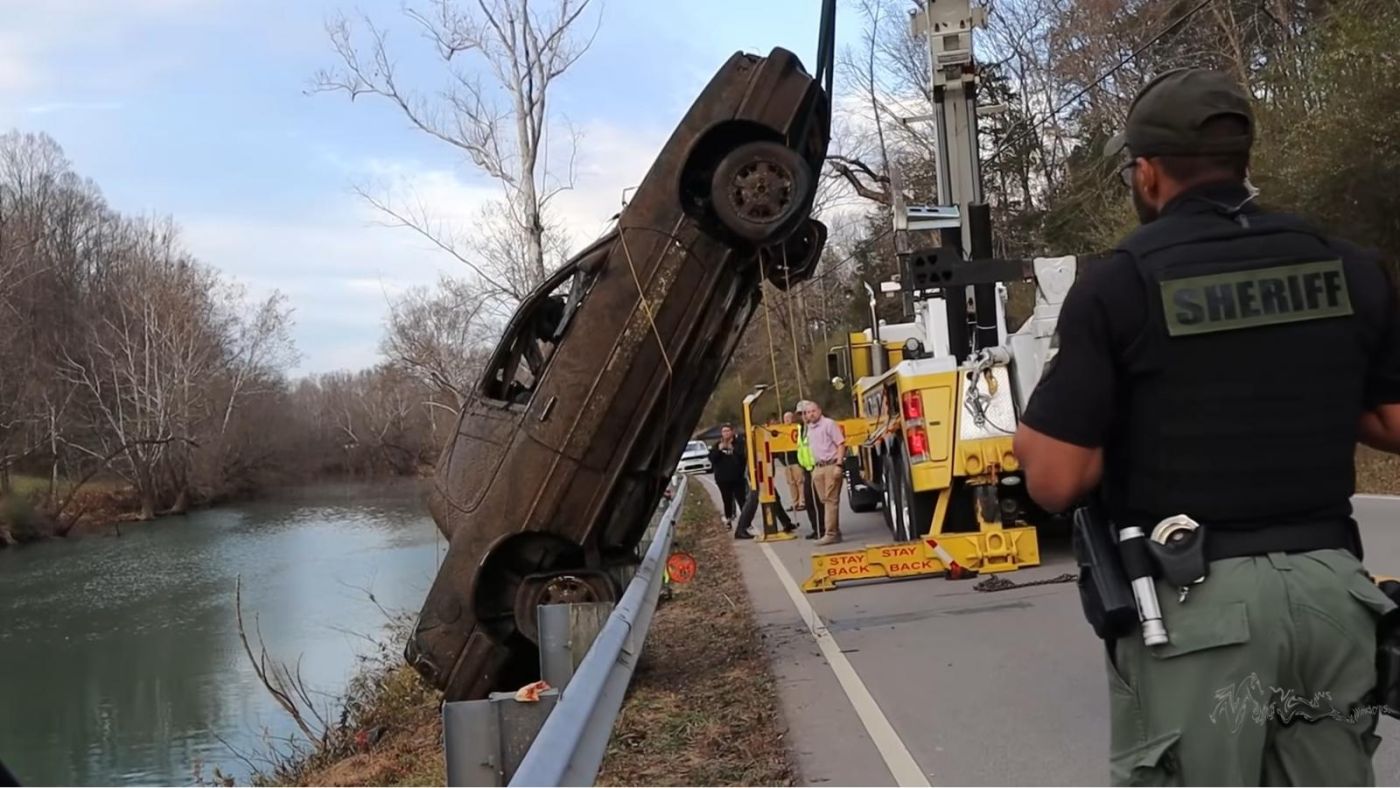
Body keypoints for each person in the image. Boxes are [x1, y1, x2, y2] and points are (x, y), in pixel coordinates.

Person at [1012, 67, 1400, 786]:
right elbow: (1389, 418)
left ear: (1148, 172)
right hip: (1333, 597)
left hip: (1196, 605)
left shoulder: (1121, 283)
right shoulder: (1348, 267)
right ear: (1244, 163)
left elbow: (1058, 479)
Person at [802, 400, 846, 545]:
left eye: (813, 411)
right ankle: (835, 531)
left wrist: (839, 464)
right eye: (808, 412)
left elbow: (840, 443)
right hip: (817, 468)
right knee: (824, 500)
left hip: (831, 465)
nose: (811, 414)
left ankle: (831, 533)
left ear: (819, 411)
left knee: (831, 501)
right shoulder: (808, 428)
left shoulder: (829, 424)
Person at [709, 424, 748, 525]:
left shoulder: (739, 443)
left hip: (737, 477)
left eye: (727, 431)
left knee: (742, 500)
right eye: (724, 431)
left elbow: (742, 459)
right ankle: (728, 519)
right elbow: (712, 459)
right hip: (723, 478)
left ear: (732, 432)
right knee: (727, 500)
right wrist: (719, 450)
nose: (726, 433)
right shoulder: (717, 444)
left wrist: (732, 449)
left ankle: (746, 522)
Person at [778, 410, 806, 511]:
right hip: (786, 462)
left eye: (789, 418)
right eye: (785, 419)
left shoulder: (797, 429)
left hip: (796, 460)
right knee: (791, 483)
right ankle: (795, 502)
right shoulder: (782, 430)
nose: (787, 420)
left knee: (800, 482)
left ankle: (802, 501)